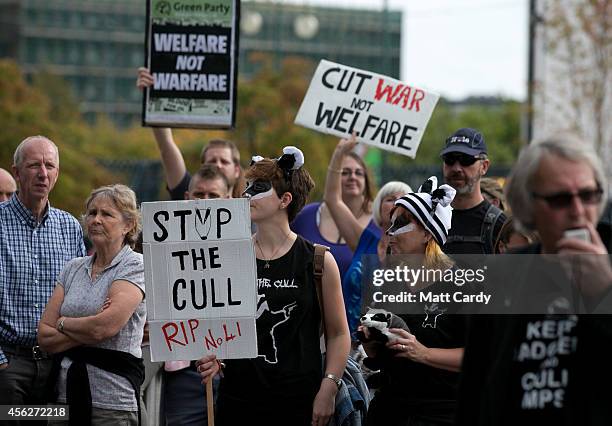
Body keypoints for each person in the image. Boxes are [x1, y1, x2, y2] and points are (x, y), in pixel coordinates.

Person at [456, 135, 612, 425]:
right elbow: (476, 384)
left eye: (589, 195)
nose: (578, 211)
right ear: (528, 206)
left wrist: (603, 294)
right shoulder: (505, 274)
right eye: (560, 199)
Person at [196, 147, 351, 426]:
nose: (247, 194)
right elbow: (222, 328)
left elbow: (339, 334)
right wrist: (215, 358)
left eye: (259, 187)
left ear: (285, 199)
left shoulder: (318, 261)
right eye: (247, 186)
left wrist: (329, 388)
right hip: (238, 401)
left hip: (299, 402)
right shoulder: (228, 257)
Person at [361, 177, 465, 425]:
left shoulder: (462, 283)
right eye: (391, 223)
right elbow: (379, 355)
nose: (390, 232)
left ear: (428, 234)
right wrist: (371, 340)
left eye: (401, 224)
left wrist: (425, 353)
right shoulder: (385, 280)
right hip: (391, 408)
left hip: (441, 411)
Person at [38, 184, 145, 426]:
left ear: (128, 225)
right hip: (62, 398)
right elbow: (44, 335)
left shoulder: (135, 265)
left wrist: (63, 323)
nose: (96, 220)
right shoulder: (73, 267)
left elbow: (104, 328)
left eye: (107, 214)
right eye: (92, 213)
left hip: (112, 401)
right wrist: (93, 325)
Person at [0, 136, 86, 421]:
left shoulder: (70, 227)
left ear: (57, 173)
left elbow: (79, 292)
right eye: (34, 165)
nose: (43, 173)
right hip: (9, 367)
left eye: (50, 165)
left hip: (57, 366)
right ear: (16, 171)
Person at [324, 135, 411, 336]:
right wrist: (339, 154)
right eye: (390, 198)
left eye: (404, 199)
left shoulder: (419, 250)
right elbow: (332, 199)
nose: (397, 202)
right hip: (351, 345)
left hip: (395, 346)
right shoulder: (364, 241)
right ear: (378, 209)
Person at [162, 164, 229, 426]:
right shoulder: (164, 245)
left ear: (227, 199)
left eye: (213, 196)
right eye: (199, 195)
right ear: (187, 198)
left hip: (231, 373)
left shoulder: (246, 248)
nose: (205, 202)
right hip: (183, 375)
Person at [136, 68, 243, 199]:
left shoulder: (252, 208)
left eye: (224, 161)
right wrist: (154, 96)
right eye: (212, 161)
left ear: (237, 170)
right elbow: (166, 146)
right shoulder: (188, 190)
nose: (217, 165)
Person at [292, 143, 377, 279]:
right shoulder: (306, 216)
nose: (352, 177)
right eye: (345, 172)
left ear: (366, 180)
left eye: (359, 173)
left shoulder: (380, 222)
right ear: (334, 177)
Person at [440, 128, 506, 255]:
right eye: (449, 159)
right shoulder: (427, 218)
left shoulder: (499, 225)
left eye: (466, 160)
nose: (457, 168)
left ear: (484, 166)